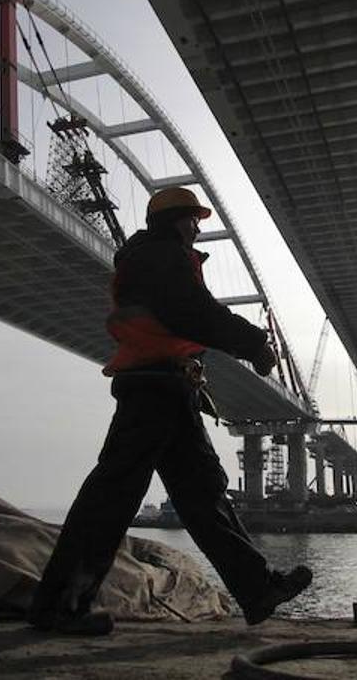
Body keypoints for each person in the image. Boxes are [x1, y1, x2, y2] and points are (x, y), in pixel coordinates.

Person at [28, 186, 313, 635]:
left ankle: (258, 590)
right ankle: (59, 606)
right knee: (114, 494)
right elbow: (193, 312)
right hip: (154, 388)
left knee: (204, 494)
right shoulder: (161, 257)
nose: (199, 228)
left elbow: (185, 313)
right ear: (179, 220)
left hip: (169, 386)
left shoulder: (153, 257)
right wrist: (253, 342)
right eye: (195, 219)